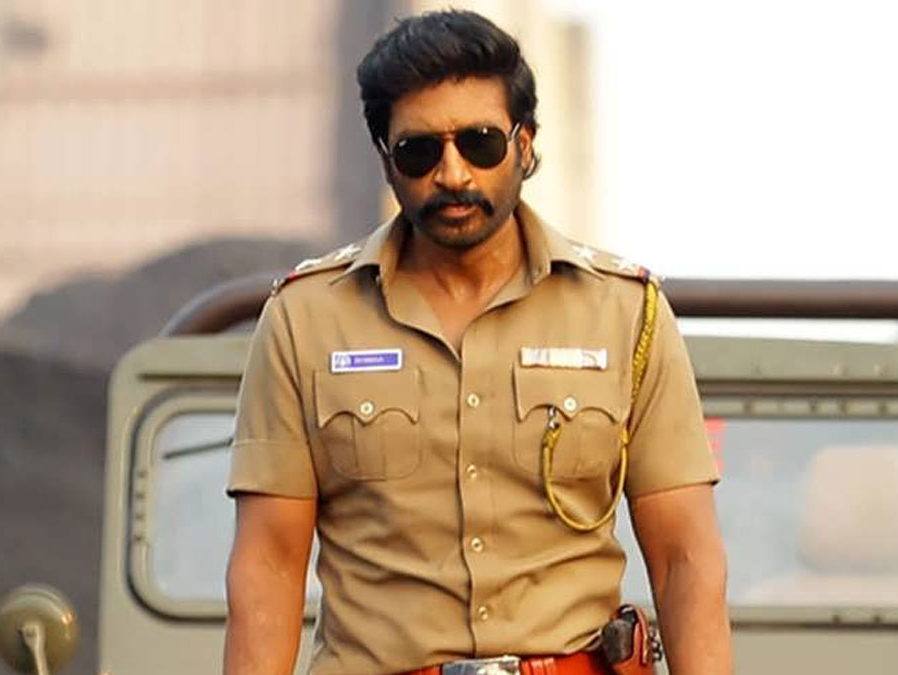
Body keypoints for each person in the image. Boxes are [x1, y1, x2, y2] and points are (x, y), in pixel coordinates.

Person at [223, 9, 732, 675]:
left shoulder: (624, 312)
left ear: (526, 144)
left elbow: (684, 556)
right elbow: (268, 562)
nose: (454, 174)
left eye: (481, 143)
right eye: (420, 151)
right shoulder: (306, 319)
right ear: (385, 160)